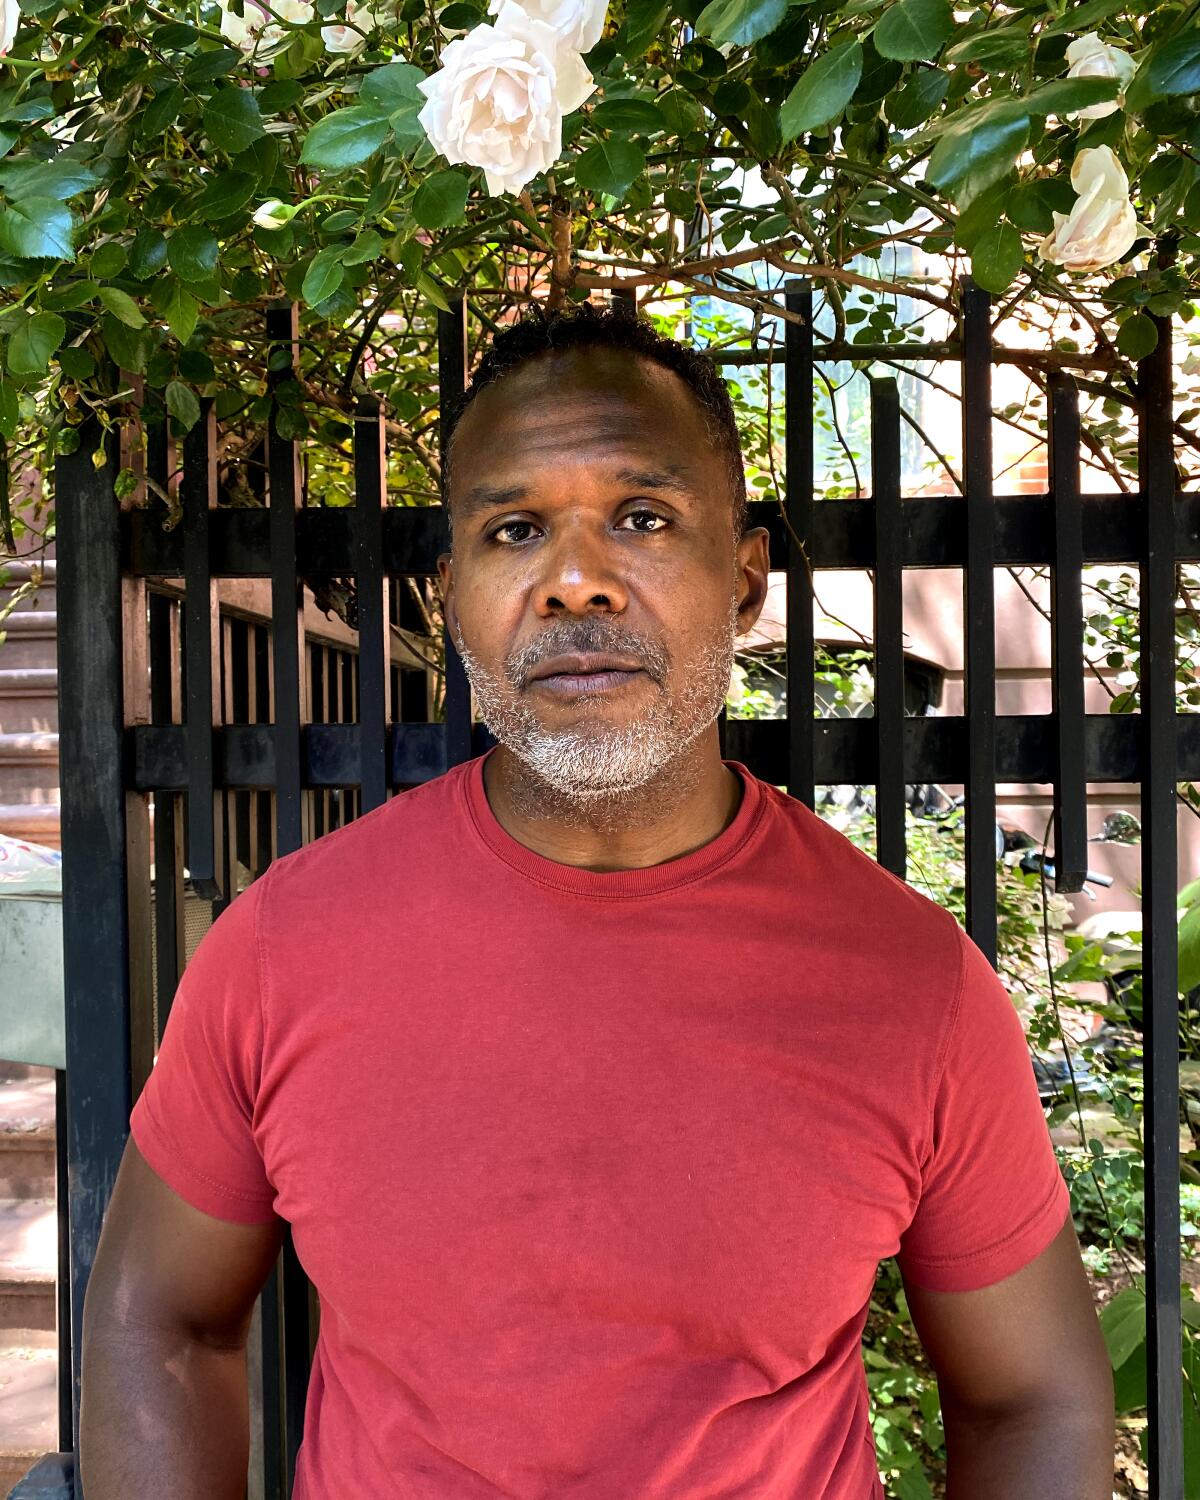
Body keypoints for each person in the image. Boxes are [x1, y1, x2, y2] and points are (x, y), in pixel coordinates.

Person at [79, 301, 1114, 1498]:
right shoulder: (283, 948)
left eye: (641, 518)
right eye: (515, 530)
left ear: (745, 576)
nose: (575, 582)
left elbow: (1030, 1397)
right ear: (452, 592)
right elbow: (160, 1321)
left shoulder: (912, 984)